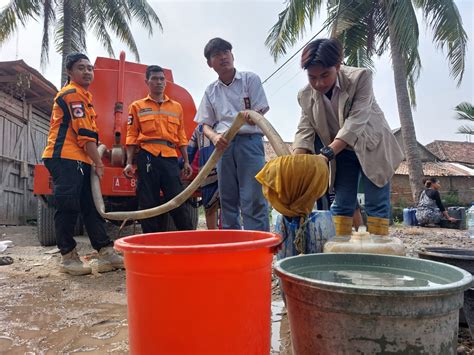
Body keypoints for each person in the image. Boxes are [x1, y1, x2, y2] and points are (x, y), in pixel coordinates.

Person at [292, 38, 404, 237]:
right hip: (342, 153)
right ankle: (338, 250)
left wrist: (325, 155)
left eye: (325, 75)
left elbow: (356, 121)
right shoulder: (305, 96)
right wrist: (296, 164)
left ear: (337, 65)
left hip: (372, 146)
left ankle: (379, 252)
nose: (319, 83)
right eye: (312, 77)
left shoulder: (360, 78)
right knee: (343, 203)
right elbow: (305, 129)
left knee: (376, 204)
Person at [42, 52, 123, 276]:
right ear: (69, 72)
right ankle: (68, 257)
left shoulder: (85, 97)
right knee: (68, 206)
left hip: (80, 158)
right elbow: (85, 136)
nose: (87, 72)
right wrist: (99, 163)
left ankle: (106, 252)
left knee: (91, 206)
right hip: (65, 157)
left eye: (89, 68)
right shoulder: (71, 95)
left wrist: (92, 160)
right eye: (81, 68)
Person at [195, 37, 270, 231]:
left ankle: (258, 247)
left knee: (253, 198)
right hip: (223, 147)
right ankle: (232, 247)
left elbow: (259, 111)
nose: (222, 57)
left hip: (249, 142)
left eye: (225, 52)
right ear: (210, 63)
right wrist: (214, 137)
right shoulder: (210, 91)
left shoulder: (250, 79)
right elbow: (204, 124)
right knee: (227, 199)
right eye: (216, 55)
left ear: (232, 55)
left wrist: (251, 116)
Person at [123, 65, 194, 233]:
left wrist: (186, 162)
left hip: (170, 157)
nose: (159, 82)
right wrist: (128, 163)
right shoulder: (137, 106)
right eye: (154, 79)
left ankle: (189, 238)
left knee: (177, 200)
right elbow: (131, 136)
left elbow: (181, 136)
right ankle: (150, 242)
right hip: (147, 156)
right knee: (148, 202)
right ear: (147, 81)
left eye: (162, 79)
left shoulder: (176, 107)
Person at [186, 124, 220, 229]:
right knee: (210, 207)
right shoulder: (199, 129)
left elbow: (189, 152)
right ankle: (213, 240)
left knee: (228, 205)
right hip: (207, 175)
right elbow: (190, 151)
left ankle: (227, 238)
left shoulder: (224, 124)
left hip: (222, 171)